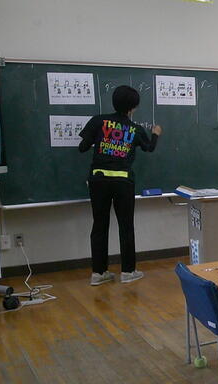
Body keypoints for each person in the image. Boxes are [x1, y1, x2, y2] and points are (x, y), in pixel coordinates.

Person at [78, 85, 162, 286]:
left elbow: (82, 148)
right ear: (133, 107)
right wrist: (156, 133)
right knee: (126, 226)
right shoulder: (135, 129)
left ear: (114, 102)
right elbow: (149, 148)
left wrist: (100, 141)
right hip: (123, 181)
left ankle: (98, 274)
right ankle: (128, 271)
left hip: (98, 180)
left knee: (99, 225)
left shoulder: (98, 121)